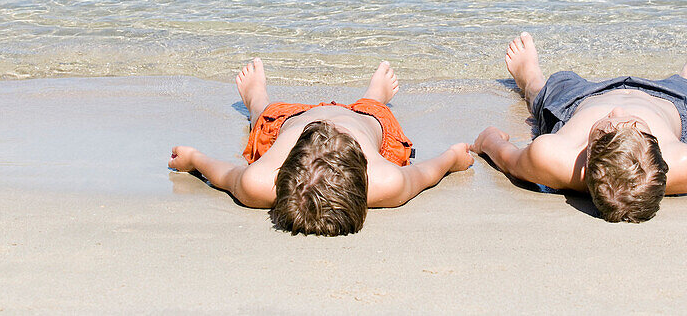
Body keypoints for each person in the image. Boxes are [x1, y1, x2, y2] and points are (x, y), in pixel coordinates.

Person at [471, 32, 687, 223]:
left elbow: (511, 160)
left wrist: (488, 141)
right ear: (659, 150)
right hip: (667, 104)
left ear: (587, 157)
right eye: (632, 125)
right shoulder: (684, 165)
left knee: (543, 97)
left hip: (578, 102)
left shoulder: (554, 157)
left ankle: (529, 76)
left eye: (606, 127)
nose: (618, 109)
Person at [169, 58, 473, 236]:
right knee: (379, 117)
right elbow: (424, 172)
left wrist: (196, 159)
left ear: (282, 169)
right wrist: (452, 158)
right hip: (364, 120)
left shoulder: (258, 183)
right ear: (365, 178)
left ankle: (256, 101)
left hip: (289, 121)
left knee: (263, 119)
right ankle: (374, 97)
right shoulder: (387, 182)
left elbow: (225, 175)